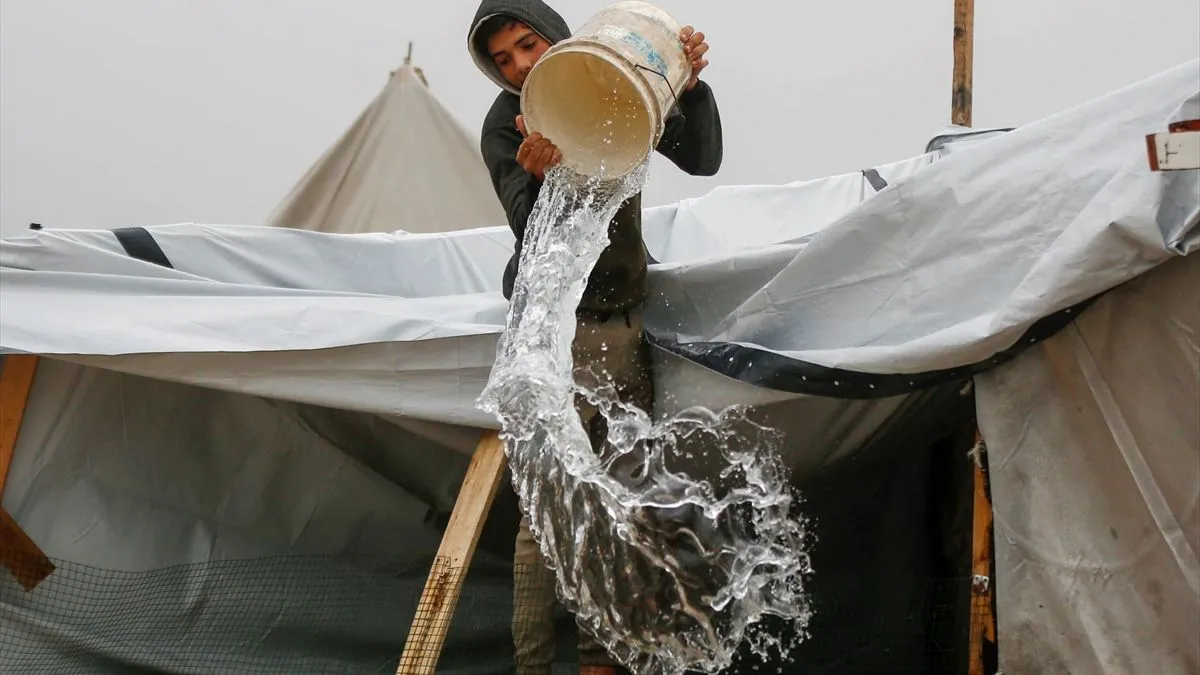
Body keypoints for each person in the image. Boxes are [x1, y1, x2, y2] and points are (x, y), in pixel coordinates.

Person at [467, 1, 723, 673]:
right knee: (549, 513)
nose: (520, 64)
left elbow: (702, 157)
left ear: (554, 34)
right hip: (558, 326)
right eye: (503, 58)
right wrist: (538, 171)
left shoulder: (608, 76)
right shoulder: (509, 121)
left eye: (527, 44)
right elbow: (531, 229)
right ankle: (536, 662)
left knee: (618, 501)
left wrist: (686, 86)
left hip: (621, 321)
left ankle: (601, 658)